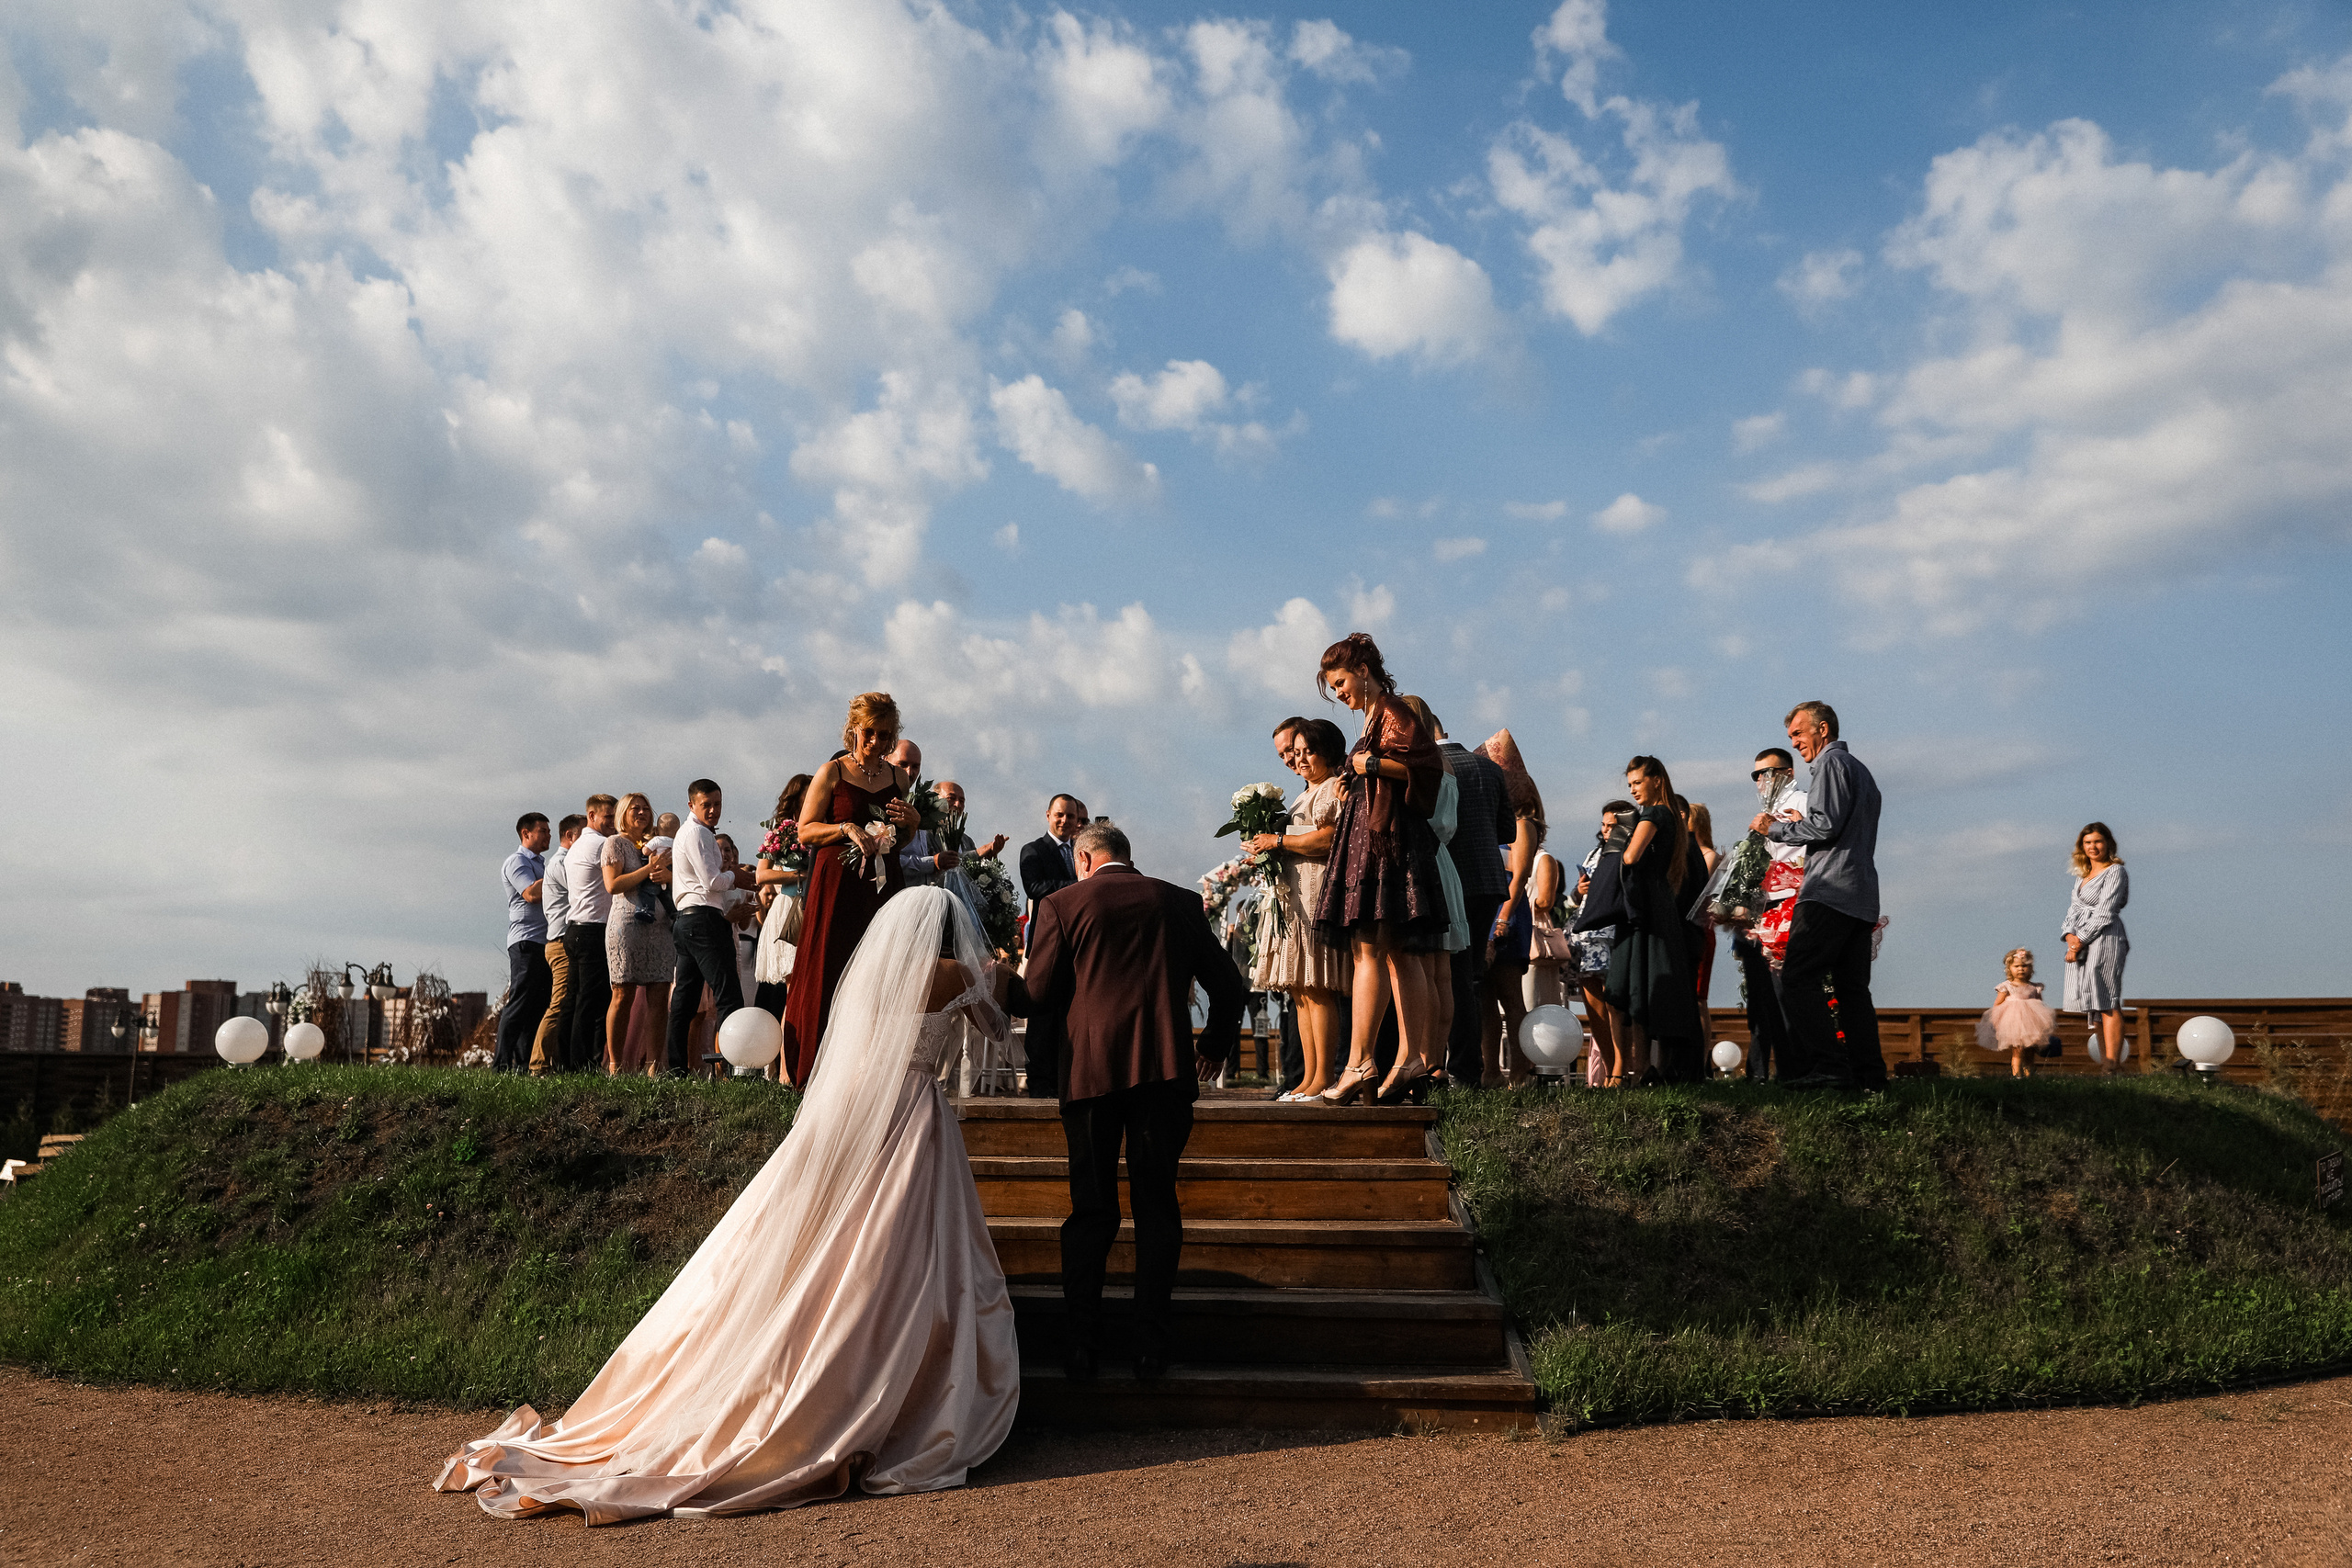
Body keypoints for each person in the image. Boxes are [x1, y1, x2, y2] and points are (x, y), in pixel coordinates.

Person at [435, 888, 1019, 1523]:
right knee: (906, 1238)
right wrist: (996, 973)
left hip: (857, 1103)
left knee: (832, 1224)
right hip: (913, 1106)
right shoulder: (958, 973)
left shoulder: (878, 969)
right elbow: (994, 1026)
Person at [1001, 821, 1246, 1380]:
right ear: (1126, 858)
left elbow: (1037, 996)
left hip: (1090, 1074)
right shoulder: (1178, 900)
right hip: (1164, 1071)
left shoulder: (1063, 904)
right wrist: (1212, 1043)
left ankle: (1082, 1345)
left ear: (1084, 859)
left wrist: (997, 979)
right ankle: (1150, 1347)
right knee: (1156, 1206)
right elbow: (1227, 985)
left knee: (1091, 1210)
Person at [1311, 634, 1448, 1104]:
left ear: (1364, 671)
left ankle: (1360, 1062)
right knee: (1400, 954)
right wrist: (1357, 776)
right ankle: (1410, 1057)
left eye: (1342, 682)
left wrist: (1369, 764)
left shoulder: (1393, 711)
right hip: (1382, 839)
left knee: (1369, 951)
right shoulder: (1378, 714)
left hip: (1385, 845)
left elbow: (1426, 765)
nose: (1340, 693)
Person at [785, 694, 921, 1087]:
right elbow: (806, 830)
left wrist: (911, 823)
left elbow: (901, 839)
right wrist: (844, 828)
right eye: (869, 733)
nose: (876, 742)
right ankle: (814, 1070)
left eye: (885, 735)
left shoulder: (898, 778)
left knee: (879, 971)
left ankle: (868, 1070)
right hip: (837, 886)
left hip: (881, 885)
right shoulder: (832, 771)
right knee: (831, 965)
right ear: (854, 730)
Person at [1755, 701, 1885, 1091]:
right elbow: (1839, 825)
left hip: (1829, 890)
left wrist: (1774, 830)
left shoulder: (1830, 765)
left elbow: (1825, 826)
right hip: (1862, 896)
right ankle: (1870, 1076)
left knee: (1797, 976)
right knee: (1852, 990)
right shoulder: (1863, 773)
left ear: (1823, 729)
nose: (1794, 743)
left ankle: (1830, 1068)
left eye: (1798, 733)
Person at [1245, 717, 1350, 1100]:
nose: (1300, 759)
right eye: (1296, 752)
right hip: (1295, 896)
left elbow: (1330, 839)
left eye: (1307, 751)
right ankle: (1308, 1077)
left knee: (1318, 986)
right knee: (1301, 990)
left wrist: (1280, 842)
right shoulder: (1305, 794)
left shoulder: (1330, 790)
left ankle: (1324, 1076)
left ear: (1327, 752)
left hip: (1317, 891)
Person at [1430, 722, 1515, 1093]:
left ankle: (1462, 1068)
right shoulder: (1491, 768)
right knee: (1471, 977)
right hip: (1489, 881)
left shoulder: (1431, 765)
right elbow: (1507, 832)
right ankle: (1473, 1068)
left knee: (1452, 976)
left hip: (1451, 880)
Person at [1611, 757, 1707, 1083]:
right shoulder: (1675, 819)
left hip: (1646, 909)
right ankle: (1657, 1067)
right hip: (1661, 905)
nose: (1634, 790)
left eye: (1638, 782)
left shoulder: (1653, 813)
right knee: (1653, 984)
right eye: (1630, 785)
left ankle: (1641, 1069)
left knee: (1642, 985)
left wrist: (1622, 848)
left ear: (1655, 780)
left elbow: (1631, 856)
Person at [666, 780, 759, 1077]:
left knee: (685, 999)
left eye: (717, 804)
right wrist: (738, 877)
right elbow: (713, 882)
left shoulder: (689, 833)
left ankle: (677, 1069)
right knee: (728, 995)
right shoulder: (698, 833)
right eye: (707, 805)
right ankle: (734, 1070)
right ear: (691, 805)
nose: (714, 811)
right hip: (704, 919)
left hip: (686, 920)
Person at [1725, 752, 1804, 1081]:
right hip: (1762, 912)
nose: (1761, 780)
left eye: (1768, 773)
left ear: (1788, 772)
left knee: (1785, 995)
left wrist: (1784, 827)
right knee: (1762, 997)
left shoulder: (1802, 802)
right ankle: (1761, 1072)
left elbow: (1804, 855)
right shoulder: (1763, 814)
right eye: (1755, 775)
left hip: (1789, 907)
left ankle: (1793, 1070)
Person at [1476, 732, 1545, 1089]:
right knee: (1486, 1002)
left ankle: (1520, 1072)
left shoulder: (1522, 825)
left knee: (1510, 999)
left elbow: (1518, 879)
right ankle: (1490, 1071)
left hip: (1507, 915)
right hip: (1489, 913)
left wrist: (1501, 919)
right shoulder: (1496, 825)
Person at [603, 793, 674, 1076]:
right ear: (623, 812)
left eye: (646, 808)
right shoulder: (615, 843)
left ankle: (654, 1064)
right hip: (627, 925)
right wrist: (648, 869)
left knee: (659, 994)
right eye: (636, 808)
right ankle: (616, 1064)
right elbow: (613, 884)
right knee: (623, 994)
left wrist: (667, 873)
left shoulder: (657, 844)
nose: (642, 812)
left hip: (660, 927)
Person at [1570, 801, 1634, 1086]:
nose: (1606, 831)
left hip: (1613, 935)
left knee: (1615, 1006)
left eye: (1612, 826)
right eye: (1604, 825)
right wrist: (1579, 890)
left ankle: (1622, 1069)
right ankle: (1609, 1071)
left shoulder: (1631, 851)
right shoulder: (1595, 852)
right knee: (1594, 1011)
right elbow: (1580, 894)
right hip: (1587, 937)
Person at [2063, 822, 2132, 1075]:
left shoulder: (2115, 872)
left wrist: (2080, 939)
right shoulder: (2082, 877)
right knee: (2094, 1001)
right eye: (2088, 842)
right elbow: (2073, 909)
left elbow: (2105, 912)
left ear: (2108, 843)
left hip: (2106, 938)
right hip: (2082, 941)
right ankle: (2105, 1061)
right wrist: (2070, 935)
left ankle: (2113, 1062)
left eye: (2097, 841)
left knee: (2107, 997)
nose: (2093, 847)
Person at [562, 795, 618, 1074]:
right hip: (593, 929)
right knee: (590, 1001)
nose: (613, 823)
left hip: (576, 927)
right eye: (608, 818)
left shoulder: (577, 846)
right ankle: (582, 1062)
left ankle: (564, 1060)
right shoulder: (601, 845)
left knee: (574, 999)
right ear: (592, 816)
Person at [496, 814, 552, 1074]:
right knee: (519, 1002)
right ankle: (501, 1063)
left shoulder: (543, 864)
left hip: (543, 942)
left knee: (537, 1006)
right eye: (542, 830)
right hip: (526, 941)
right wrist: (560, 876)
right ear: (525, 833)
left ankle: (523, 1064)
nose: (548, 835)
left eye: (549, 831)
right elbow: (530, 893)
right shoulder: (516, 861)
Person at [532, 815, 585, 1075]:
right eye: (584, 836)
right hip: (561, 942)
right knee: (560, 1003)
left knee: (568, 1002)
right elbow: (581, 889)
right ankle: (539, 1064)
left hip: (565, 941)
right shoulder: (562, 864)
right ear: (571, 836)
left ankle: (554, 1062)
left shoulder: (561, 862)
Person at [1977, 948, 2057, 1078]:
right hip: (2013, 1024)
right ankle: (2016, 1075)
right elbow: (1997, 1005)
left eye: (2024, 966)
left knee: (2030, 1051)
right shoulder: (2007, 986)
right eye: (2017, 966)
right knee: (2018, 1050)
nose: (2021, 969)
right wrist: (1996, 1021)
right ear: (2009, 968)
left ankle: (2029, 1075)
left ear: (2030, 968)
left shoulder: (2034, 987)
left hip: (2031, 1025)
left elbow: (2040, 1006)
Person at [1018, 795, 1087, 915]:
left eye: (1070, 816)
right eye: (1059, 815)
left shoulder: (1084, 851)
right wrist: (1079, 884)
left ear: (1076, 819)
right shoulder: (1033, 850)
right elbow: (1034, 888)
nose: (1064, 820)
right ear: (1048, 816)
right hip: (1050, 926)